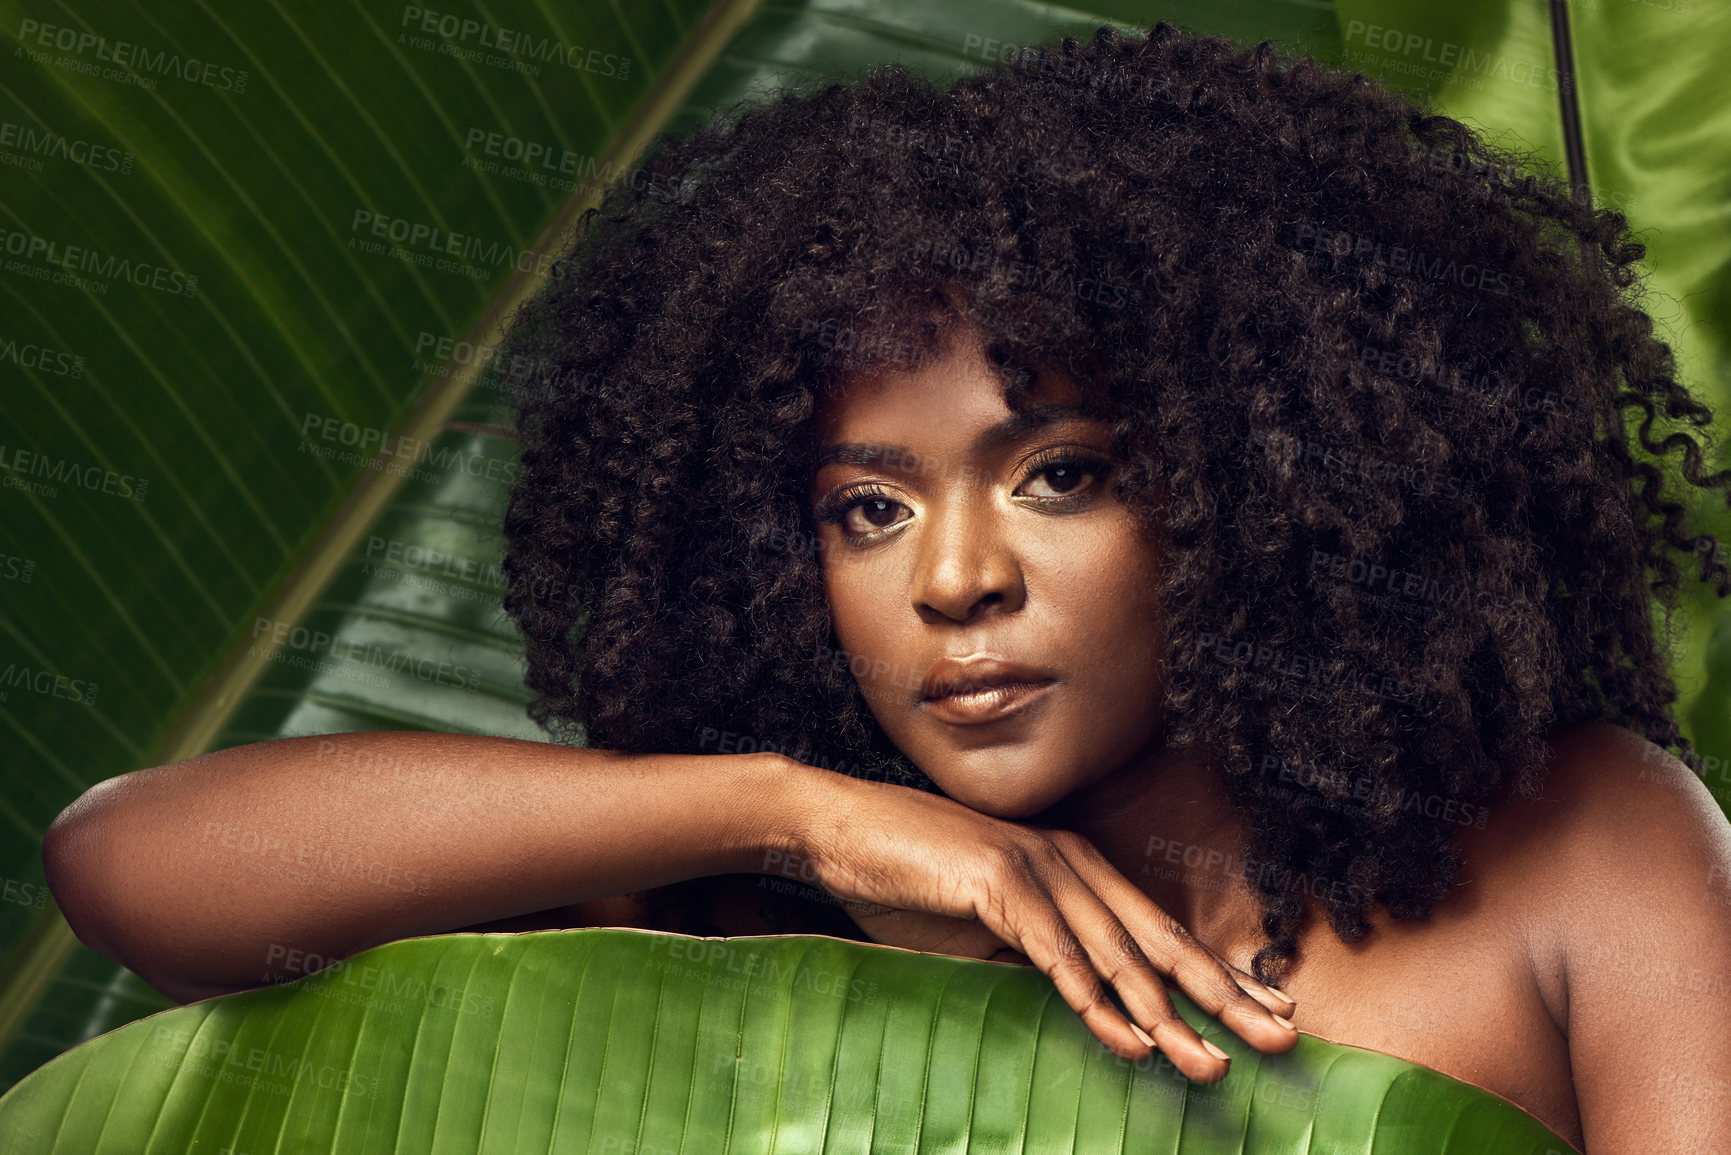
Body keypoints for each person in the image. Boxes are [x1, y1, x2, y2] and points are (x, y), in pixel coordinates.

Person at [42, 21, 1731, 1152]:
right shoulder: (774, 915)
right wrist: (791, 815)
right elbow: (132, 867)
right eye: (866, 510)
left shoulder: (1577, 848)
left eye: (1057, 475)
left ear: (1265, 485)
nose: (956, 580)